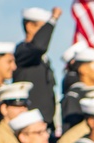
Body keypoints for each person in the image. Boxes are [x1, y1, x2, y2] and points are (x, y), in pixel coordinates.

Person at [13, 7, 62, 136]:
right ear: (29, 26)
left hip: (45, 125)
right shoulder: (23, 51)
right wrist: (53, 20)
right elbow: (39, 46)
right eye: (43, 27)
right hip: (30, 127)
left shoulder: (42, 59)